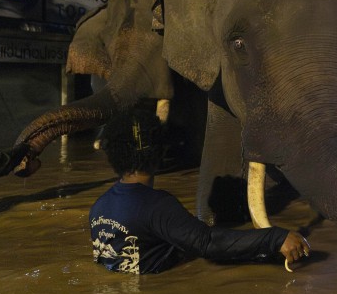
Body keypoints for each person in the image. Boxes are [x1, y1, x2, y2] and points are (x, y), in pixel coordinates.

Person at [90, 108, 310, 274]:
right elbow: (208, 243)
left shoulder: (98, 207)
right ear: (158, 152)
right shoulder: (157, 206)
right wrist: (276, 238)